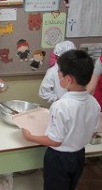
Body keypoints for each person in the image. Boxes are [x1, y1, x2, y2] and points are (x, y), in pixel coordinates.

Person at [22, 50, 101, 190]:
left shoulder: (60, 106)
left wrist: (31, 137)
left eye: (59, 73)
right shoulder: (94, 103)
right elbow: (93, 131)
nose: (58, 76)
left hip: (59, 159)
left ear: (68, 79)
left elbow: (55, 141)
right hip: (79, 156)